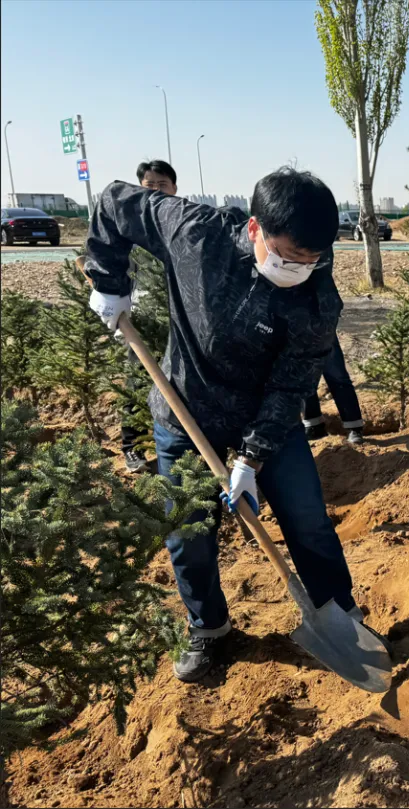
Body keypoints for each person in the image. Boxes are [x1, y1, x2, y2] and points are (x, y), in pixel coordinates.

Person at [84, 167, 366, 683]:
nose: (297, 269)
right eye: (287, 256)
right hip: (184, 413)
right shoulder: (194, 232)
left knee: (307, 521)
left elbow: (292, 383)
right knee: (189, 534)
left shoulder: (317, 295)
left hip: (267, 426)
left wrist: (251, 457)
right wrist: (109, 281)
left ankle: (340, 616)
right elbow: (112, 201)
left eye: (310, 260)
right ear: (255, 228)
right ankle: (209, 628)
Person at [118, 159, 179, 471]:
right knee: (138, 383)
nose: (156, 191)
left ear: (175, 188)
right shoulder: (132, 231)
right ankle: (133, 447)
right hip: (142, 321)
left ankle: (175, 445)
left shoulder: (184, 225)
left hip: (180, 322)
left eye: (162, 184)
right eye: (149, 186)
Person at [303, 335, 365, 444]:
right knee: (304, 378)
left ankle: (354, 427)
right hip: (295, 330)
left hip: (322, 327)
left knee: (337, 376)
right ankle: (314, 426)